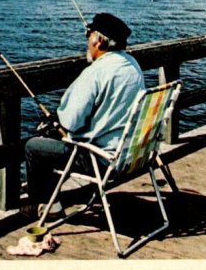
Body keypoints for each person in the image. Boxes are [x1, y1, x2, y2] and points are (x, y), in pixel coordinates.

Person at [22, 12, 144, 220]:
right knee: (54, 138)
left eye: (89, 36)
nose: (87, 41)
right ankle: (51, 198)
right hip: (134, 155)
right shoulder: (133, 66)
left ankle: (48, 208)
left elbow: (70, 122)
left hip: (104, 161)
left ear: (99, 40)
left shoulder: (95, 72)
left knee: (34, 147)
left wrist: (56, 122)